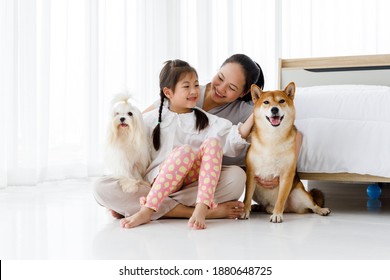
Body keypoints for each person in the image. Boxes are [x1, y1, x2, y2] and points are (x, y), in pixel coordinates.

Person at [93, 54, 301, 222]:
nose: (220, 88)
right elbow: (135, 125)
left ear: (244, 93)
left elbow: (284, 133)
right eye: (220, 78)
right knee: (100, 188)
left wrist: (283, 171)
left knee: (236, 177)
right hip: (157, 179)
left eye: (232, 88)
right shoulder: (173, 101)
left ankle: (142, 205)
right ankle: (191, 211)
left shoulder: (241, 112)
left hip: (197, 180)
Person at [120, 59, 253, 229]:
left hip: (188, 182)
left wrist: (255, 114)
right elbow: (127, 149)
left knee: (215, 148)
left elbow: (232, 138)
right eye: (186, 86)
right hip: (156, 181)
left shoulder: (204, 119)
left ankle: (201, 208)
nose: (194, 91)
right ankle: (148, 209)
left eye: (196, 85)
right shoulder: (151, 119)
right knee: (101, 188)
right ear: (168, 92)